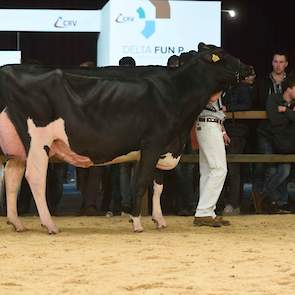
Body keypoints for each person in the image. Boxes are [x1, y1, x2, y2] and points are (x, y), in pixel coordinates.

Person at [252, 51, 289, 213]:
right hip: (265, 129)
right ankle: (272, 202)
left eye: (281, 62)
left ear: (286, 64)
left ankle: (273, 200)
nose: (278, 65)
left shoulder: (291, 83)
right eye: (276, 61)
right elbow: (256, 103)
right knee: (269, 166)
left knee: (284, 166)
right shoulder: (262, 82)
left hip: (286, 131)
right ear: (272, 63)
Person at [256, 75, 295, 213]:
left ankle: (263, 196)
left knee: (285, 171)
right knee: (271, 169)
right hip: (268, 137)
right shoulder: (273, 98)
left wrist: (286, 111)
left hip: (285, 142)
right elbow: (274, 120)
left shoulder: (292, 104)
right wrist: (290, 117)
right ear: (289, 89)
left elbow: (281, 121)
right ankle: (272, 203)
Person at [219, 73, 255, 215]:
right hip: (223, 129)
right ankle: (220, 203)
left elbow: (247, 104)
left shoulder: (242, 88)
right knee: (221, 167)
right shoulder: (223, 88)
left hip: (237, 130)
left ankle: (232, 203)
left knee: (233, 167)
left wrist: (228, 108)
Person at [193, 92, 231, 227]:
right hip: (208, 124)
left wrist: (222, 131)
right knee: (219, 169)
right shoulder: (214, 80)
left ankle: (208, 211)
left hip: (211, 123)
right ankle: (203, 212)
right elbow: (211, 97)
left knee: (208, 171)